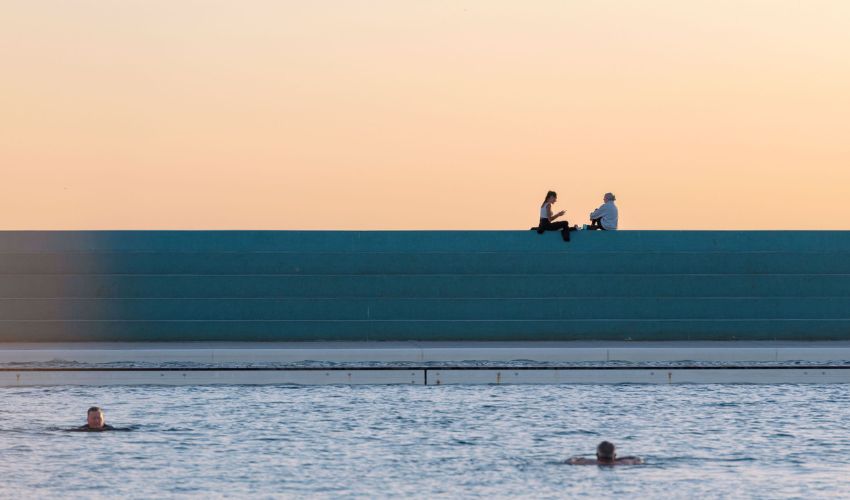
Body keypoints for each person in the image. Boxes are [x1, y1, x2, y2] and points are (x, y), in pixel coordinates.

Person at [566, 441, 644, 465]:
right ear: (615, 455)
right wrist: (618, 459)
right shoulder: (624, 462)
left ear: (597, 455)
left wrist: (577, 458)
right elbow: (638, 459)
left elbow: (569, 461)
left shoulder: (588, 462)